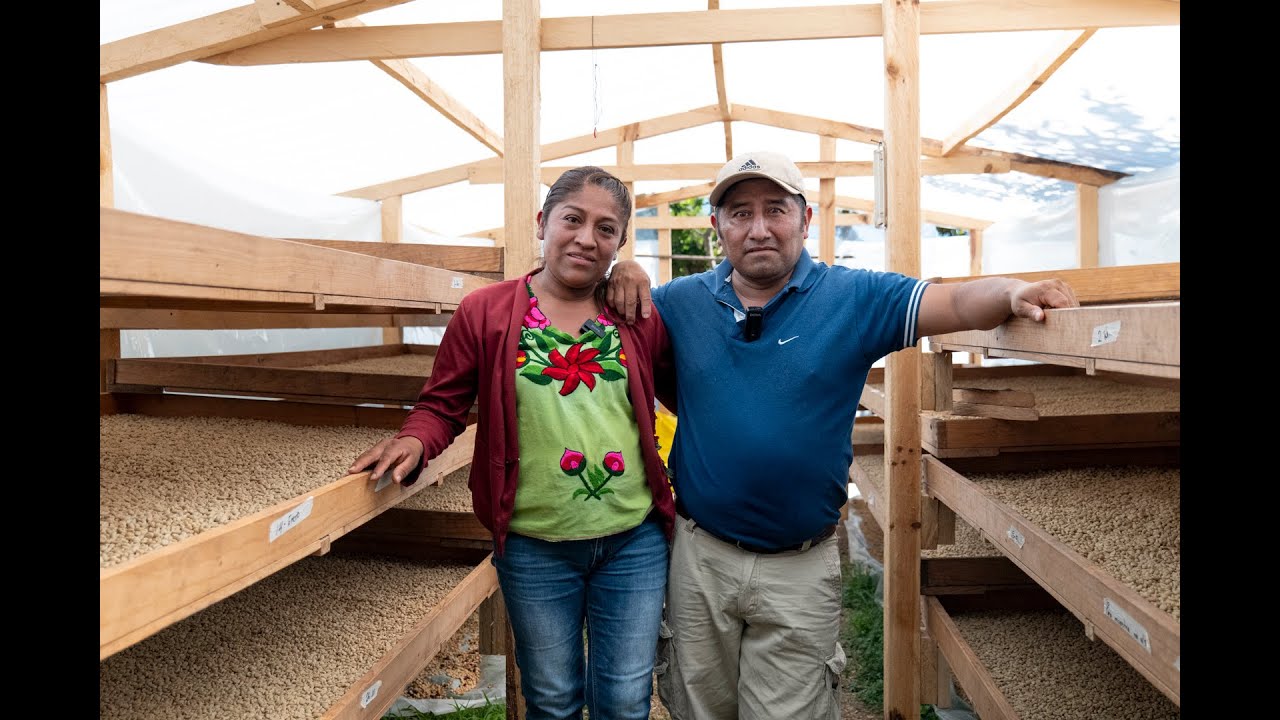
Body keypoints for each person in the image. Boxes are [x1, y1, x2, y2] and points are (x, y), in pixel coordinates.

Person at [603, 150, 1079, 720]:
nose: (759, 228)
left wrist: (1010, 291)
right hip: (699, 557)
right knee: (698, 707)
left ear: (805, 219)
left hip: (799, 567)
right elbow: (586, 307)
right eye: (740, 213)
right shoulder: (680, 303)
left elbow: (951, 300)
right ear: (717, 226)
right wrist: (623, 271)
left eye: (776, 209)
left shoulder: (852, 298)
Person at [348, 166, 678, 720]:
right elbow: (442, 404)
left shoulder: (635, 315)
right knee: (551, 698)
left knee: (625, 698)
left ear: (620, 243)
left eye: (606, 229)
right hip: (533, 544)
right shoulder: (486, 312)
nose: (586, 238)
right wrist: (415, 441)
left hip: (633, 541)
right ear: (542, 222)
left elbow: (683, 392)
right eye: (572, 219)